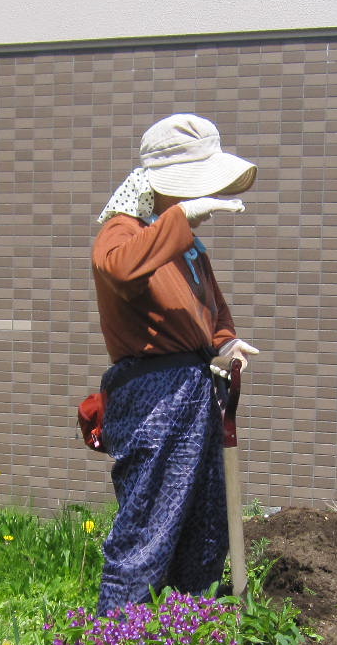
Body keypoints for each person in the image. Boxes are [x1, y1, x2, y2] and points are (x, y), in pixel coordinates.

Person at [90, 114, 259, 614]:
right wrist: (180, 222)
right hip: (155, 397)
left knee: (205, 529)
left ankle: (187, 642)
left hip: (196, 389)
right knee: (149, 528)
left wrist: (226, 346)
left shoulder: (190, 251)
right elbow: (118, 267)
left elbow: (211, 315)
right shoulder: (123, 232)